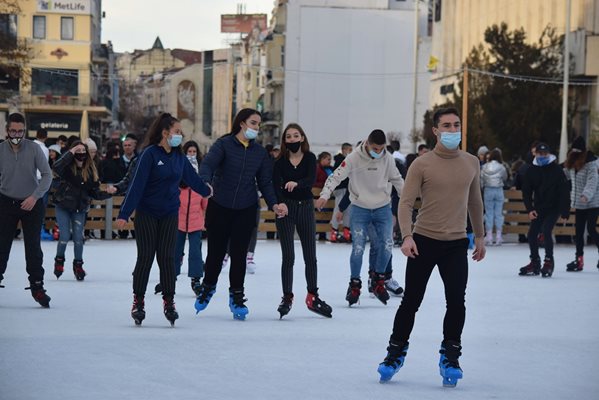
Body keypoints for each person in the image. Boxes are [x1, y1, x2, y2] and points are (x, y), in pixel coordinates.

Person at [376, 107, 485, 387]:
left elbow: (474, 201)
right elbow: (405, 202)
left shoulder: (471, 162)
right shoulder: (422, 164)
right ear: (435, 131)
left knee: (456, 302)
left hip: (456, 244)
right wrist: (408, 236)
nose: (452, 130)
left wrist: (481, 237)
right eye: (446, 126)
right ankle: (395, 352)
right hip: (423, 242)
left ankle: (450, 355)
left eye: (456, 125)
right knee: (411, 301)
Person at [116, 112, 212, 327]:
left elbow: (192, 179)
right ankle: (138, 301)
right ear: (165, 132)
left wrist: (207, 190)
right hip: (147, 213)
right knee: (146, 257)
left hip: (170, 213)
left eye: (181, 132)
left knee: (168, 258)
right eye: (177, 132)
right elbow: (137, 185)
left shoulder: (179, 157)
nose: (180, 135)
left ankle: (169, 301)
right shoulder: (149, 155)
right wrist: (124, 213)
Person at [193, 108, 287, 320]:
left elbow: (265, 182)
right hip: (220, 205)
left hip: (245, 208)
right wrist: (205, 182)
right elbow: (207, 164)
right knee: (216, 253)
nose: (257, 128)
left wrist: (274, 204)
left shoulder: (260, 153)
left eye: (258, 124)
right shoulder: (224, 144)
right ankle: (208, 287)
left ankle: (237, 296)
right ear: (242, 123)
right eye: (253, 123)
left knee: (239, 256)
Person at [315, 129, 404, 306]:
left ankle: (378, 280)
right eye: (375, 148)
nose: (378, 152)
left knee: (386, 244)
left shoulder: (387, 159)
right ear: (368, 143)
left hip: (382, 208)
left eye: (381, 148)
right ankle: (354, 284)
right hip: (360, 208)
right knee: (358, 247)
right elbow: (335, 177)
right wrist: (325, 195)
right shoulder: (354, 158)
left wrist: (407, 201)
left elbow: (398, 181)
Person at [273, 123, 333, 319]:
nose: (292, 139)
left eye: (295, 135)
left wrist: (296, 183)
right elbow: (275, 186)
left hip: (306, 206)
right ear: (284, 141)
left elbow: (310, 179)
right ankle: (287, 297)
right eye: (288, 137)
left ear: (302, 138)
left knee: (310, 255)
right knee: (288, 256)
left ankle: (312, 295)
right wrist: (280, 203)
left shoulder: (309, 158)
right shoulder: (280, 161)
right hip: (287, 209)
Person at [0, 112, 53, 307]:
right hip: (6, 202)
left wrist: (34, 197)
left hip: (31, 203)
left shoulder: (33, 149)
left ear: (24, 131)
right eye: (13, 130)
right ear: (7, 130)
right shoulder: (1, 150)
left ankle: (37, 287)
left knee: (33, 247)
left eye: (20, 131)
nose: (16, 134)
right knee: (2, 246)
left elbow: (47, 175)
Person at [51, 141, 111, 280]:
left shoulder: (90, 170)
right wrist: (71, 152)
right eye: (78, 153)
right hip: (63, 205)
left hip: (80, 207)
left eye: (84, 153)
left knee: (78, 237)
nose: (81, 156)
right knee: (64, 236)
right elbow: (56, 166)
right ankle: (59, 260)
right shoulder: (66, 169)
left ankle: (78, 264)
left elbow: (94, 192)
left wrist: (108, 193)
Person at [518, 142, 570, 278]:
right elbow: (527, 192)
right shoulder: (531, 170)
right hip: (539, 208)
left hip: (554, 207)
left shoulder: (557, 170)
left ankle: (548, 261)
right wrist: (530, 209)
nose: (542, 156)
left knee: (546, 231)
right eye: (540, 154)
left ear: (549, 154)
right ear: (536, 154)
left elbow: (564, 190)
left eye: (545, 154)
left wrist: (565, 210)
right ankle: (535, 262)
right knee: (532, 234)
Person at [174, 140, 208, 294]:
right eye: (189, 151)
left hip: (195, 222)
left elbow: (205, 203)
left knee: (195, 251)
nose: (192, 154)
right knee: (175, 250)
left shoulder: (200, 183)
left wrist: (206, 218)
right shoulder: (176, 182)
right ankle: (171, 276)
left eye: (194, 152)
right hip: (178, 221)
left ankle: (196, 279)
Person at [563, 136, 599, 272]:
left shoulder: (591, 163)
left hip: (593, 202)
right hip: (579, 203)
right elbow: (565, 174)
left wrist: (586, 195)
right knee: (578, 233)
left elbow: (592, 181)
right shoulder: (572, 163)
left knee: (590, 228)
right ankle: (579, 261)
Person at [481, 148, 508, 245]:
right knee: (498, 213)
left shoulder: (484, 167)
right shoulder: (501, 167)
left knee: (489, 213)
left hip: (488, 190)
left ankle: (489, 237)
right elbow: (505, 177)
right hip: (498, 190)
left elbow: (481, 179)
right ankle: (498, 236)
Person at [330, 143, 353, 243]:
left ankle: (346, 231)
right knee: (338, 209)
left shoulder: (349, 160)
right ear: (344, 150)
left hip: (348, 188)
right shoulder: (339, 161)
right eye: (349, 149)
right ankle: (334, 232)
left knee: (348, 210)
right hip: (340, 188)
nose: (351, 152)